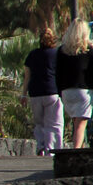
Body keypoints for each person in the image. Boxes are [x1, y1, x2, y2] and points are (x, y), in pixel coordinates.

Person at [55, 19, 93, 150]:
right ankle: (76, 151)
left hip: (66, 92)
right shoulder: (90, 50)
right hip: (83, 91)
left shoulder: (61, 51)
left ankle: (79, 148)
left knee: (76, 122)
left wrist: (60, 92)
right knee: (81, 124)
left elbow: (58, 73)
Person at [21, 27, 64, 155]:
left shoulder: (32, 55)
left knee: (39, 123)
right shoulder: (57, 54)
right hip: (52, 92)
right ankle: (52, 150)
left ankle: (41, 146)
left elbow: (27, 77)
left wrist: (23, 94)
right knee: (54, 124)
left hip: (35, 93)